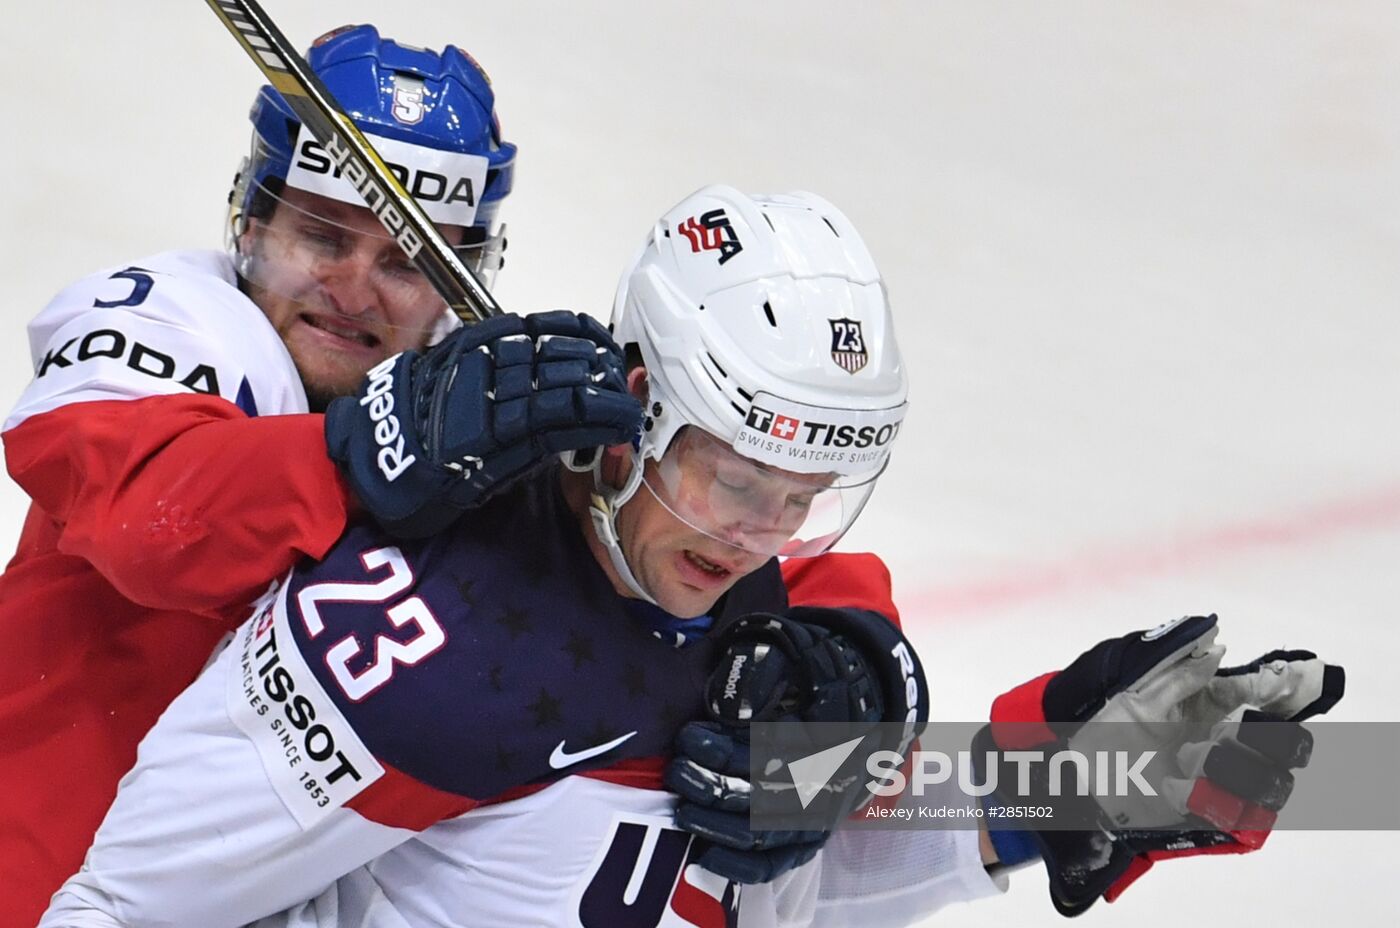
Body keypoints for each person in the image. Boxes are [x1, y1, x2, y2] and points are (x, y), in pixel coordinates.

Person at [38, 185, 1345, 928]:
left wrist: (1052, 788)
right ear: (639, 407)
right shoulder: (417, 643)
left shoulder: (741, 623)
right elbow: (119, 911)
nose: (761, 535)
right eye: (739, 480)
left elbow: (730, 878)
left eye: (807, 497)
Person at [0, 24, 541, 923]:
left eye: (406, 262)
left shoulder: (491, 440)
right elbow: (153, 528)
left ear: (457, 287)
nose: (354, 290)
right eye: (322, 236)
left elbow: (717, 553)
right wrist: (377, 448)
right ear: (251, 223)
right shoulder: (165, 322)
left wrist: (795, 764)